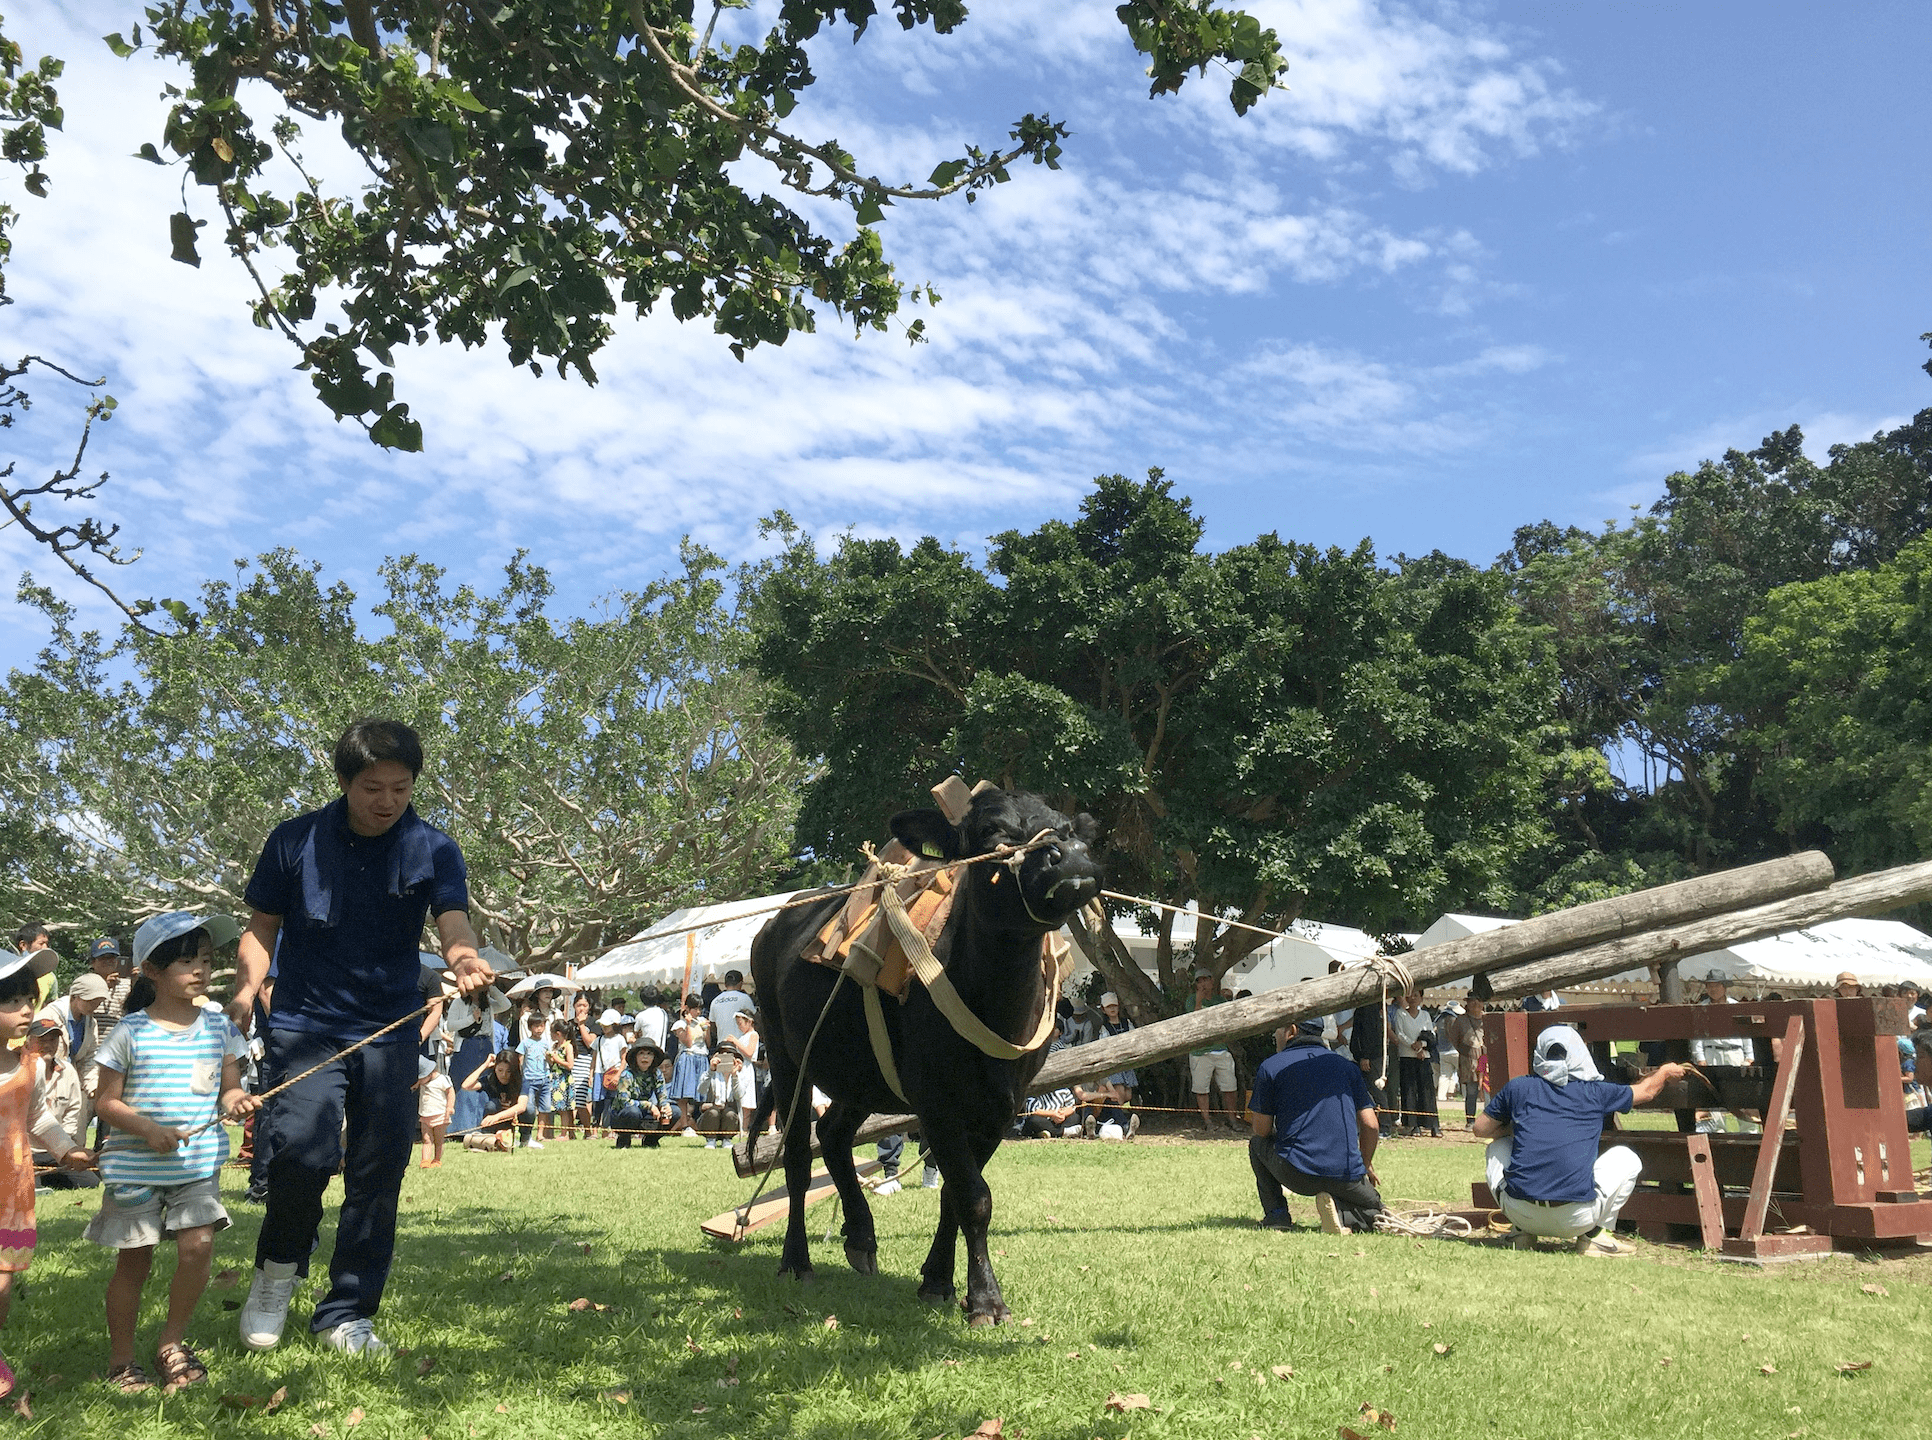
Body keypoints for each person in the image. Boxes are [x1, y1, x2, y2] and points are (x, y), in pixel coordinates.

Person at [229, 718, 492, 1358]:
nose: (387, 801)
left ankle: (347, 1312)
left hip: (390, 1028)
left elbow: (452, 921)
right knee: (301, 1153)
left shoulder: (434, 848)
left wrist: (462, 960)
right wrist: (243, 990)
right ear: (345, 781)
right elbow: (261, 929)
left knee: (379, 1170)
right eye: (373, 787)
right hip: (305, 1022)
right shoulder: (292, 841)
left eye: (401, 788)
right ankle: (277, 1271)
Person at [90, 912, 252, 1392]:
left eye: (204, 959)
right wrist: (147, 1128)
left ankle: (171, 1343)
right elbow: (105, 1103)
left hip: (196, 1164)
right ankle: (122, 1361)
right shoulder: (130, 1032)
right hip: (134, 1167)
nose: (200, 970)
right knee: (134, 1262)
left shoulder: (220, 1028)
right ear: (151, 971)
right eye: (186, 961)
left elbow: (227, 1089)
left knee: (198, 1246)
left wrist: (236, 1102)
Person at [1475, 1024, 1686, 1256]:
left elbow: (1480, 1129)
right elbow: (1646, 1092)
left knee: (1497, 1147)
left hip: (1521, 1213)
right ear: (1579, 1052)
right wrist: (1665, 1072)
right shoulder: (1596, 1091)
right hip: (1576, 1219)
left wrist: (1516, 1129)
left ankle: (1521, 1234)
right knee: (1628, 1158)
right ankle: (1595, 1237)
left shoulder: (1519, 1087)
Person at [0, 944, 95, 1403]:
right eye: (11, 1000)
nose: (25, 1010)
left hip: (12, 1190)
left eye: (28, 999)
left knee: (2, 1279)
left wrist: (66, 1151)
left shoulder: (30, 1067)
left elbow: (38, 1118)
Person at [1248, 1018, 1383, 1234]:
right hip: (1346, 1174)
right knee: (1377, 1214)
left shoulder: (1271, 1066)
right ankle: (1342, 1214)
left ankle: (1277, 1216)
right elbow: (1371, 1125)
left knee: (1256, 1144)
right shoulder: (1347, 1067)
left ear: (1291, 1030)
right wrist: (1365, 1163)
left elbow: (1261, 1131)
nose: (1274, 1036)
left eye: (1277, 1030)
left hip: (1297, 1174)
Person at [25, 1018, 94, 1189]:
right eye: (42, 1040)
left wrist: (67, 1149)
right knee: (30, 1188)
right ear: (28, 1041)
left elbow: (73, 1113)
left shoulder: (68, 1071)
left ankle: (47, 1177)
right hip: (25, 1152)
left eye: (53, 1039)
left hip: (56, 1151)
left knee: (90, 1183)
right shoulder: (18, 1070)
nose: (48, 1045)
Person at [38, 971, 108, 1104]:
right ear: (75, 996)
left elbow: (89, 1058)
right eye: (91, 1001)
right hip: (45, 1088)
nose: (95, 1006)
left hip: (70, 1087)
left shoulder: (91, 1023)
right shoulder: (48, 1017)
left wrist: (92, 1086)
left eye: (98, 1002)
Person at [1185, 968, 1240, 1128]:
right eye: (1199, 980)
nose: (1202, 983)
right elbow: (1193, 1022)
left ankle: (1232, 1119)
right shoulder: (1190, 1000)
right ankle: (1207, 1120)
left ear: (1212, 981)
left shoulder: (1220, 1001)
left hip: (1220, 1049)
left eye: (1205, 979)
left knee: (1230, 1086)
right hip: (1200, 1051)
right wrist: (1199, 1001)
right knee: (1202, 1088)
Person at [1388, 991, 1440, 1137]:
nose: (1412, 998)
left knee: (1427, 1090)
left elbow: (1430, 1033)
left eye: (1416, 995)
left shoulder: (1425, 1015)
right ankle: (1412, 1124)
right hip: (1407, 1056)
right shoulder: (1400, 1013)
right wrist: (1413, 1045)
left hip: (1423, 1056)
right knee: (1409, 1091)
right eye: (1410, 995)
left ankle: (1433, 1125)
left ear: (1421, 998)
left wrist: (1421, 1045)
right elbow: (1399, 1033)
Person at [609, 1040, 674, 1148]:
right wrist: (649, 1105)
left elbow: (662, 1094)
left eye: (649, 1054)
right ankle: (624, 1140)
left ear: (654, 1058)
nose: (645, 1057)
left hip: (645, 1113)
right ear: (635, 1057)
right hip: (622, 1115)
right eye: (641, 1053)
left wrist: (665, 1106)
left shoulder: (657, 1073)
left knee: (675, 1112)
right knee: (633, 1112)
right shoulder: (626, 1074)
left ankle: (650, 1141)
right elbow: (624, 1101)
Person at [1438, 995, 1489, 1128]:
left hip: (1487, 1058)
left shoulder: (1488, 1018)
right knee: (1471, 1091)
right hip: (1468, 1059)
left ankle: (1490, 1121)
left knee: (1489, 1090)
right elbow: (1454, 1038)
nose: (1476, 1004)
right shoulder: (1461, 1020)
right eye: (1472, 1001)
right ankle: (1470, 1121)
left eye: (1478, 1000)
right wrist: (1466, 1051)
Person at [461, 1051, 525, 1152]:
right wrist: (485, 1065)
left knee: (529, 1109)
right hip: (495, 1123)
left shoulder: (522, 1080)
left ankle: (525, 1139)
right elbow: (466, 1086)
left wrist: (496, 1117)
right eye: (500, 1070)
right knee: (491, 1105)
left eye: (508, 1071)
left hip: (515, 1122)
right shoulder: (491, 1079)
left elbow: (521, 1106)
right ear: (494, 1068)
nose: (503, 1075)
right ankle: (487, 1137)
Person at [669, 993, 710, 1136]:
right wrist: (688, 1024)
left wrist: (707, 1030)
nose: (698, 1012)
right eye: (695, 1009)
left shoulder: (702, 1021)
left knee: (702, 1094)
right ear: (687, 1008)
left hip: (702, 1056)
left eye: (700, 1009)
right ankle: (685, 1124)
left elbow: (708, 1043)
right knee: (684, 1094)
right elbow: (688, 1042)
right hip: (688, 1056)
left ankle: (701, 1123)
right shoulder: (679, 1024)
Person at [86, 937, 136, 1044]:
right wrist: (104, 987)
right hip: (91, 1048)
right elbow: (80, 1011)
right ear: (93, 962)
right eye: (103, 958)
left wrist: (137, 983)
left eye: (112, 957)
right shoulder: (85, 984)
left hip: (118, 1048)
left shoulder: (127, 985)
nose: (108, 961)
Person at [416, 1057, 453, 1168]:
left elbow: (451, 1092)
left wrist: (450, 1107)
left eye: (420, 1079)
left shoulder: (441, 1079)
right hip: (425, 1115)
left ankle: (437, 1160)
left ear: (429, 1074)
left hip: (440, 1115)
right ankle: (425, 1160)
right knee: (426, 1139)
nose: (419, 1082)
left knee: (438, 1140)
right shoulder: (422, 1082)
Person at [10, 922, 55, 1013]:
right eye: (41, 943)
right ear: (23, 945)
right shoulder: (8, 972)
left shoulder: (49, 975)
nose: (45, 947)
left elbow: (51, 1006)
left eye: (46, 943)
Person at [708, 969, 755, 1038]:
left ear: (725, 984)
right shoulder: (744, 998)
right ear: (741, 983)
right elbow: (755, 1019)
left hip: (723, 1045)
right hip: (741, 1045)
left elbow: (712, 1025)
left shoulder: (715, 1001)